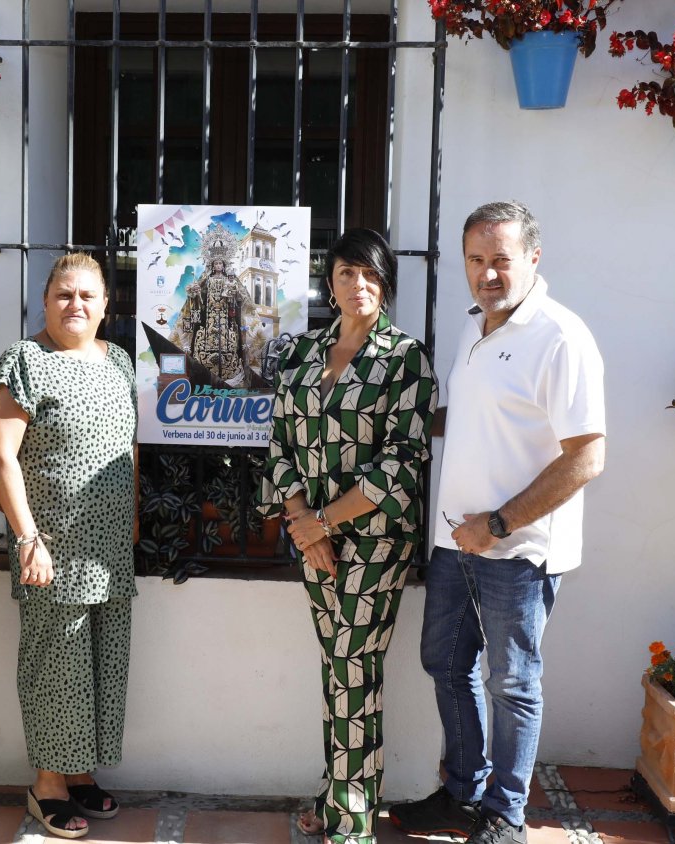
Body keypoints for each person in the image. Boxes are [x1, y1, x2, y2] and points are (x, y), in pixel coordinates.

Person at [388, 201, 606, 844]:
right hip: (455, 543)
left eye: (501, 261)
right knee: (445, 665)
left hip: (518, 549)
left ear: (533, 259)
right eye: (476, 261)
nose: (487, 274)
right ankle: (462, 792)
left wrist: (501, 523)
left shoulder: (560, 337)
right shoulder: (474, 327)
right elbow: (475, 419)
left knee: (512, 681)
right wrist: (393, 425)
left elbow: (587, 456)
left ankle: (507, 814)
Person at [259, 229, 439, 844]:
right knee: (335, 666)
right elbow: (279, 443)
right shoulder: (304, 354)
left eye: (368, 273)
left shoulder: (404, 357)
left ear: (384, 282)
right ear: (328, 284)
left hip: (377, 539)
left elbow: (402, 462)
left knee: (354, 662)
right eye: (344, 273)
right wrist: (304, 526)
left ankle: (353, 821)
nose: (357, 284)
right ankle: (338, 792)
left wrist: (324, 522)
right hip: (314, 536)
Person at [0, 253, 137, 840]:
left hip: (108, 550)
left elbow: (128, 447)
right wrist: (28, 538)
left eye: (87, 296)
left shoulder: (118, 360)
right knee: (56, 665)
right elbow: (0, 457)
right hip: (51, 549)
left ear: (105, 305)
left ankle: (78, 772)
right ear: (45, 302)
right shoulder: (26, 360)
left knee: (100, 664)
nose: (76, 305)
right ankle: (46, 785)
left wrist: (132, 525)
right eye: (63, 295)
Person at [173, 223, 254, 385]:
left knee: (230, 345)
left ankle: (230, 376)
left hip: (227, 322)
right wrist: (194, 293)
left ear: (224, 265)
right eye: (216, 263)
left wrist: (234, 293)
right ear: (212, 265)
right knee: (203, 344)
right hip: (208, 323)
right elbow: (197, 299)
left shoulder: (230, 280)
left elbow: (244, 299)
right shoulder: (206, 279)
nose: (218, 266)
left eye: (220, 264)